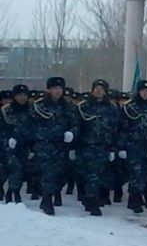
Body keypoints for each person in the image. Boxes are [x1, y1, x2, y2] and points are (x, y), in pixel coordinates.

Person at [14, 77, 77, 215]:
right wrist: (21, 140)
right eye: (55, 88)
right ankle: (47, 199)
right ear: (49, 89)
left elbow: (75, 124)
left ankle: (52, 194)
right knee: (48, 173)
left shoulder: (68, 107)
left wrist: (72, 133)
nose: (58, 91)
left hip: (62, 146)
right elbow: (28, 125)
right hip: (44, 145)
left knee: (61, 174)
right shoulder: (39, 106)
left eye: (60, 88)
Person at [75, 79, 119, 216]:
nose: (99, 91)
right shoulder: (83, 107)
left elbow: (115, 129)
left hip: (103, 147)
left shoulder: (112, 108)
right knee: (89, 175)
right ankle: (91, 200)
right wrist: (73, 147)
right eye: (96, 88)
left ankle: (91, 198)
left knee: (99, 176)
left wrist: (113, 148)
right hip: (86, 146)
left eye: (101, 89)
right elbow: (77, 126)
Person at [117, 80, 147, 214]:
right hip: (133, 145)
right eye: (143, 90)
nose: (145, 93)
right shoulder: (129, 107)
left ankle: (138, 196)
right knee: (135, 173)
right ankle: (134, 199)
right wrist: (121, 147)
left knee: (145, 174)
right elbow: (122, 128)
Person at [2, 85, 31, 203]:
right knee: (15, 169)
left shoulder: (32, 110)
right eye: (19, 95)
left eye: (24, 95)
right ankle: (14, 193)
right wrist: (8, 139)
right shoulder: (6, 110)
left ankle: (12, 190)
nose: (22, 98)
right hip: (10, 146)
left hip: (26, 145)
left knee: (23, 171)